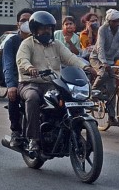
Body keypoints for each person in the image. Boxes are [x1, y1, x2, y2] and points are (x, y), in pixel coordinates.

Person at [16, 10, 93, 157]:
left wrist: (86, 66)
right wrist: (30, 68)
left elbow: (70, 58)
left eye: (49, 28)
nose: (46, 31)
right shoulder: (27, 44)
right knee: (32, 98)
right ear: (35, 29)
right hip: (30, 83)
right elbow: (22, 60)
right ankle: (33, 139)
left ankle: (71, 131)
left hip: (53, 83)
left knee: (71, 98)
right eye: (43, 28)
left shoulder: (56, 44)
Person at [94, 9, 119, 127]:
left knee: (113, 89)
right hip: (97, 58)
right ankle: (93, 91)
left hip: (111, 59)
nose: (117, 24)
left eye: (118, 21)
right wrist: (104, 63)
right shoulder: (103, 29)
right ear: (109, 21)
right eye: (114, 22)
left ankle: (111, 117)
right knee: (103, 73)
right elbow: (100, 47)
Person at [2, 8, 34, 147]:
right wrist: (11, 85)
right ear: (18, 24)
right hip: (19, 80)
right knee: (13, 95)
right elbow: (8, 64)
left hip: (40, 79)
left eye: (29, 20)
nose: (26, 23)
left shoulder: (40, 40)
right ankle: (15, 131)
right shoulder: (12, 42)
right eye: (23, 20)